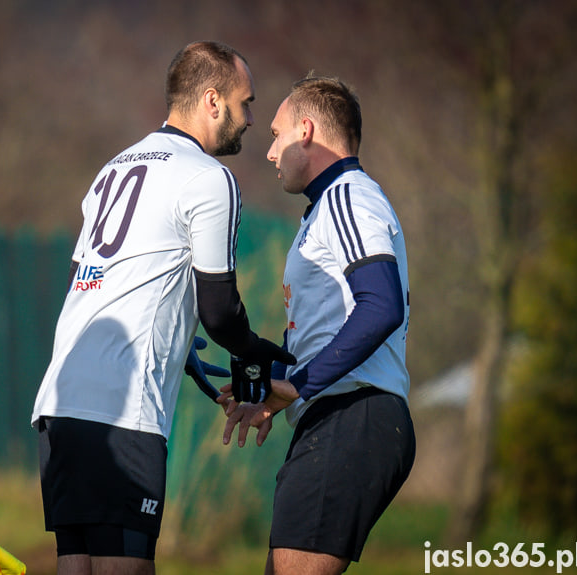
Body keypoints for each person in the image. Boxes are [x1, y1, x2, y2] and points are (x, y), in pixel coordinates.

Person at [31, 41, 295, 575]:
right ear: (213, 100)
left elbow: (90, 282)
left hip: (59, 405)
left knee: (75, 567)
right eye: (246, 104)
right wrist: (269, 359)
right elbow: (220, 311)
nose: (250, 120)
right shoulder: (208, 177)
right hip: (121, 409)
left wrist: (178, 347)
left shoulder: (115, 165)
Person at [220, 74, 416, 575]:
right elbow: (329, 326)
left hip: (354, 417)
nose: (269, 153)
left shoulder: (350, 197)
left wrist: (299, 385)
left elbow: (381, 307)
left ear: (306, 130)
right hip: (335, 418)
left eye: (276, 135)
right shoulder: (325, 210)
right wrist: (270, 393)